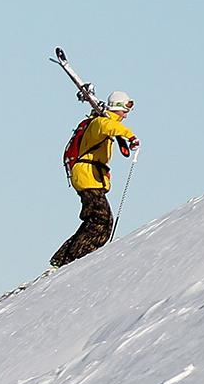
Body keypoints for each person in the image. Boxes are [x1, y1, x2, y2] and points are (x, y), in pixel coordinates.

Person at [50, 91, 139, 269]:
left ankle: (62, 259)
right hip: (86, 176)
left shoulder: (104, 122)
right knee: (101, 219)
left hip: (90, 177)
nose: (128, 114)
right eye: (126, 108)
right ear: (119, 107)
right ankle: (73, 260)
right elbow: (108, 126)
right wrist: (130, 137)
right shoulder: (101, 122)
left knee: (99, 219)